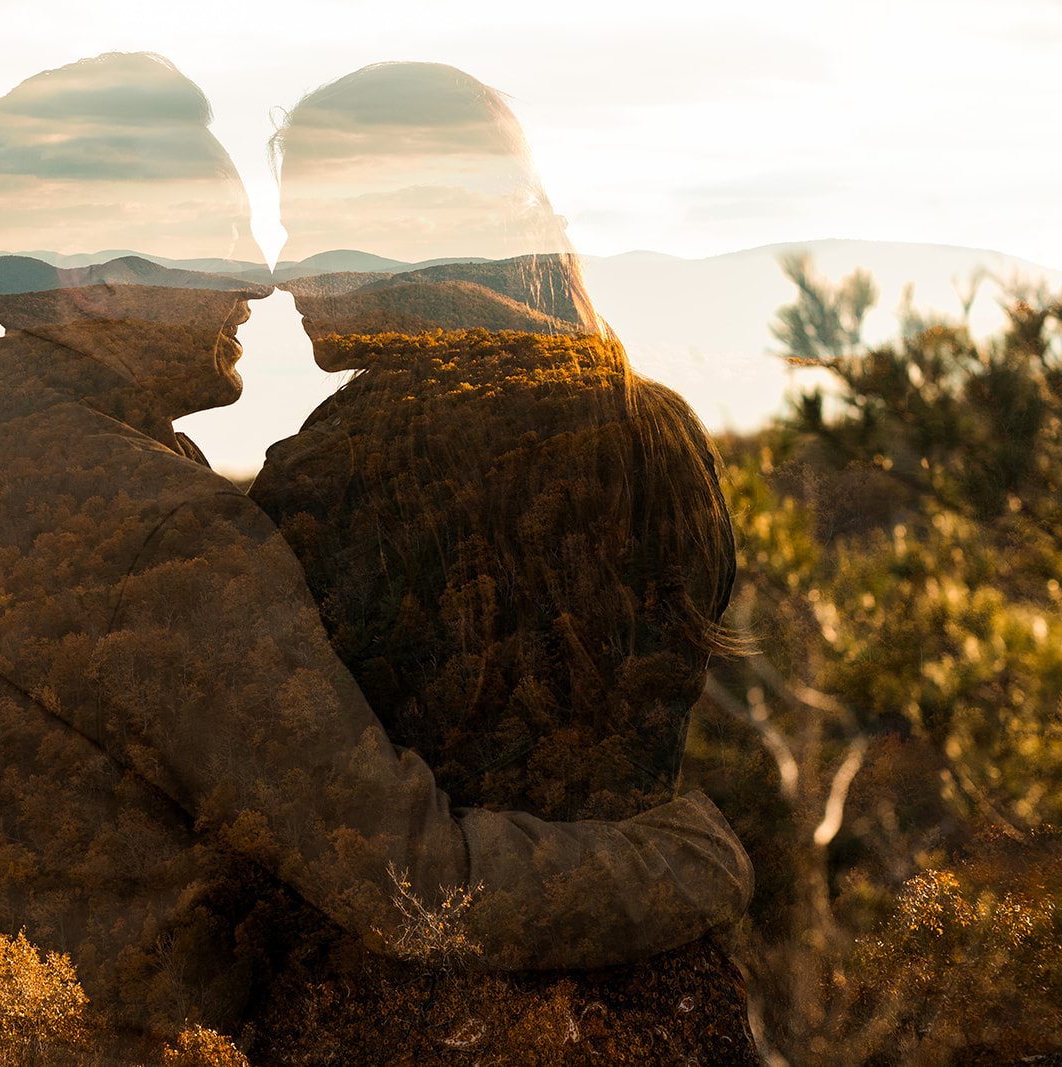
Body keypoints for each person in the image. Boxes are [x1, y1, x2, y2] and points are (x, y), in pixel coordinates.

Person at [0, 52, 753, 1061]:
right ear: (93, 277)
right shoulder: (156, 528)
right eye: (216, 237)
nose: (259, 277)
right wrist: (693, 861)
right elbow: (417, 886)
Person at [249, 62, 761, 1063]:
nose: (282, 270)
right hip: (663, 1005)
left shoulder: (331, 475)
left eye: (313, 228)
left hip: (412, 1021)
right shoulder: (657, 434)